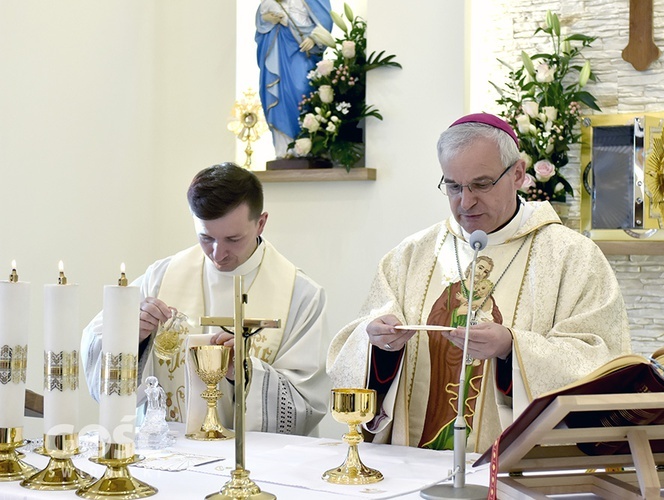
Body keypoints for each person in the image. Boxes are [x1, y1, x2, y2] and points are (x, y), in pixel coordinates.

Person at [326, 113, 631, 452]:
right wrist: (380, 347)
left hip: (516, 474)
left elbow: (602, 361)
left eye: (481, 184)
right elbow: (358, 351)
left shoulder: (572, 257)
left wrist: (511, 349)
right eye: (453, 186)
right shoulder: (411, 255)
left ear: (517, 173)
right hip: (413, 462)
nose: (465, 202)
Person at [82, 162, 329, 436]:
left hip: (258, 461)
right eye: (206, 238)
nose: (218, 253)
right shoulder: (161, 277)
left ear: (260, 223)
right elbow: (99, 345)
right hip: (171, 453)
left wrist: (244, 371)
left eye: (233, 239)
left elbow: (307, 402)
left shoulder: (300, 294)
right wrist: (133, 336)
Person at [255, 0, 333, 158]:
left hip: (301, 50)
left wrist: (314, 38)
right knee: (280, 95)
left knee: (302, 90)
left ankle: (307, 145)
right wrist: (268, 19)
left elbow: (325, 19)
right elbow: (262, 18)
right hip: (278, 48)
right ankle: (284, 147)